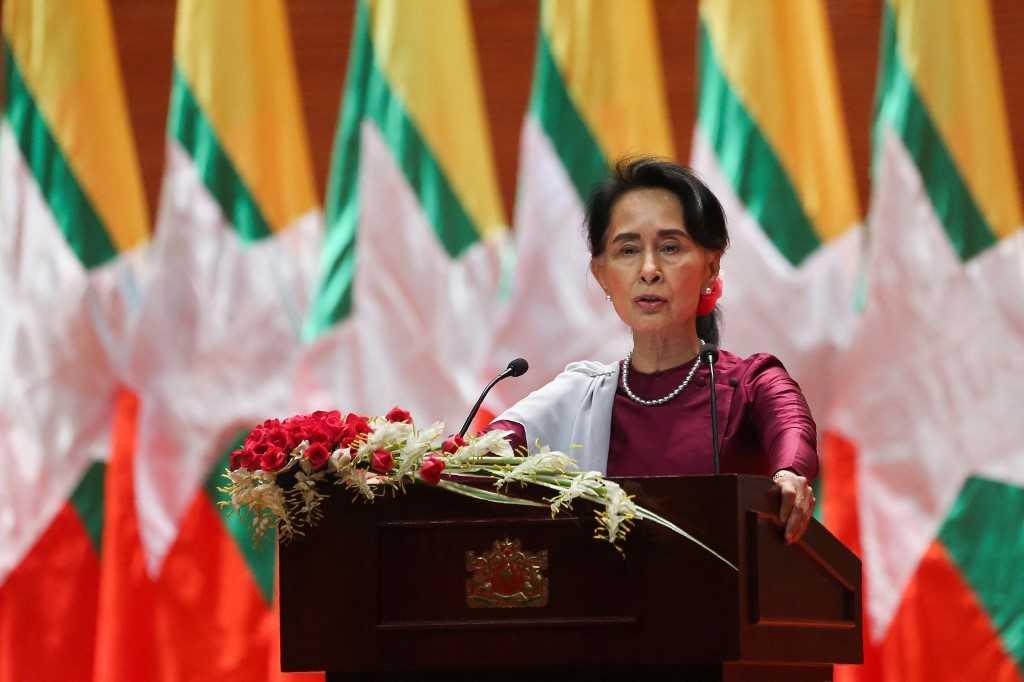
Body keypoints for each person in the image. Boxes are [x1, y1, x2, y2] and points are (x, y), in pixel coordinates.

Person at [489, 157, 818, 544]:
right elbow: (485, 454)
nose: (649, 269)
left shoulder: (750, 382)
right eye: (628, 250)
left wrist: (788, 475)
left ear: (711, 267)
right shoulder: (578, 394)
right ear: (602, 273)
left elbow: (792, 428)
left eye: (669, 247)